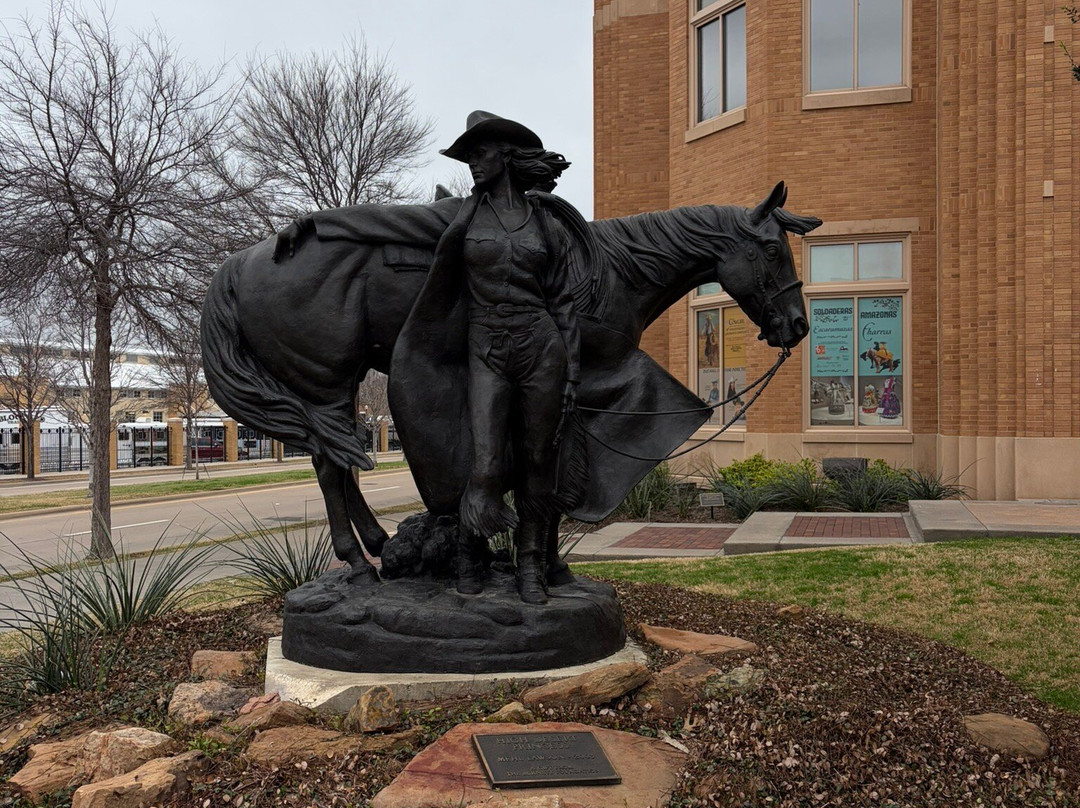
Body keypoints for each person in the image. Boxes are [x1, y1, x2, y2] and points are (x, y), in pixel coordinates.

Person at [435, 112, 582, 604]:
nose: (474, 164)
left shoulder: (545, 219)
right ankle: (469, 555)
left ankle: (532, 567)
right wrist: (315, 222)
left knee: (541, 459)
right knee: (487, 461)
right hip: (487, 348)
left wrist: (572, 369)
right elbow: (386, 219)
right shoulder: (461, 214)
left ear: (506, 156)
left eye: (480, 154)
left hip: (542, 347)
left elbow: (562, 299)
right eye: (469, 157)